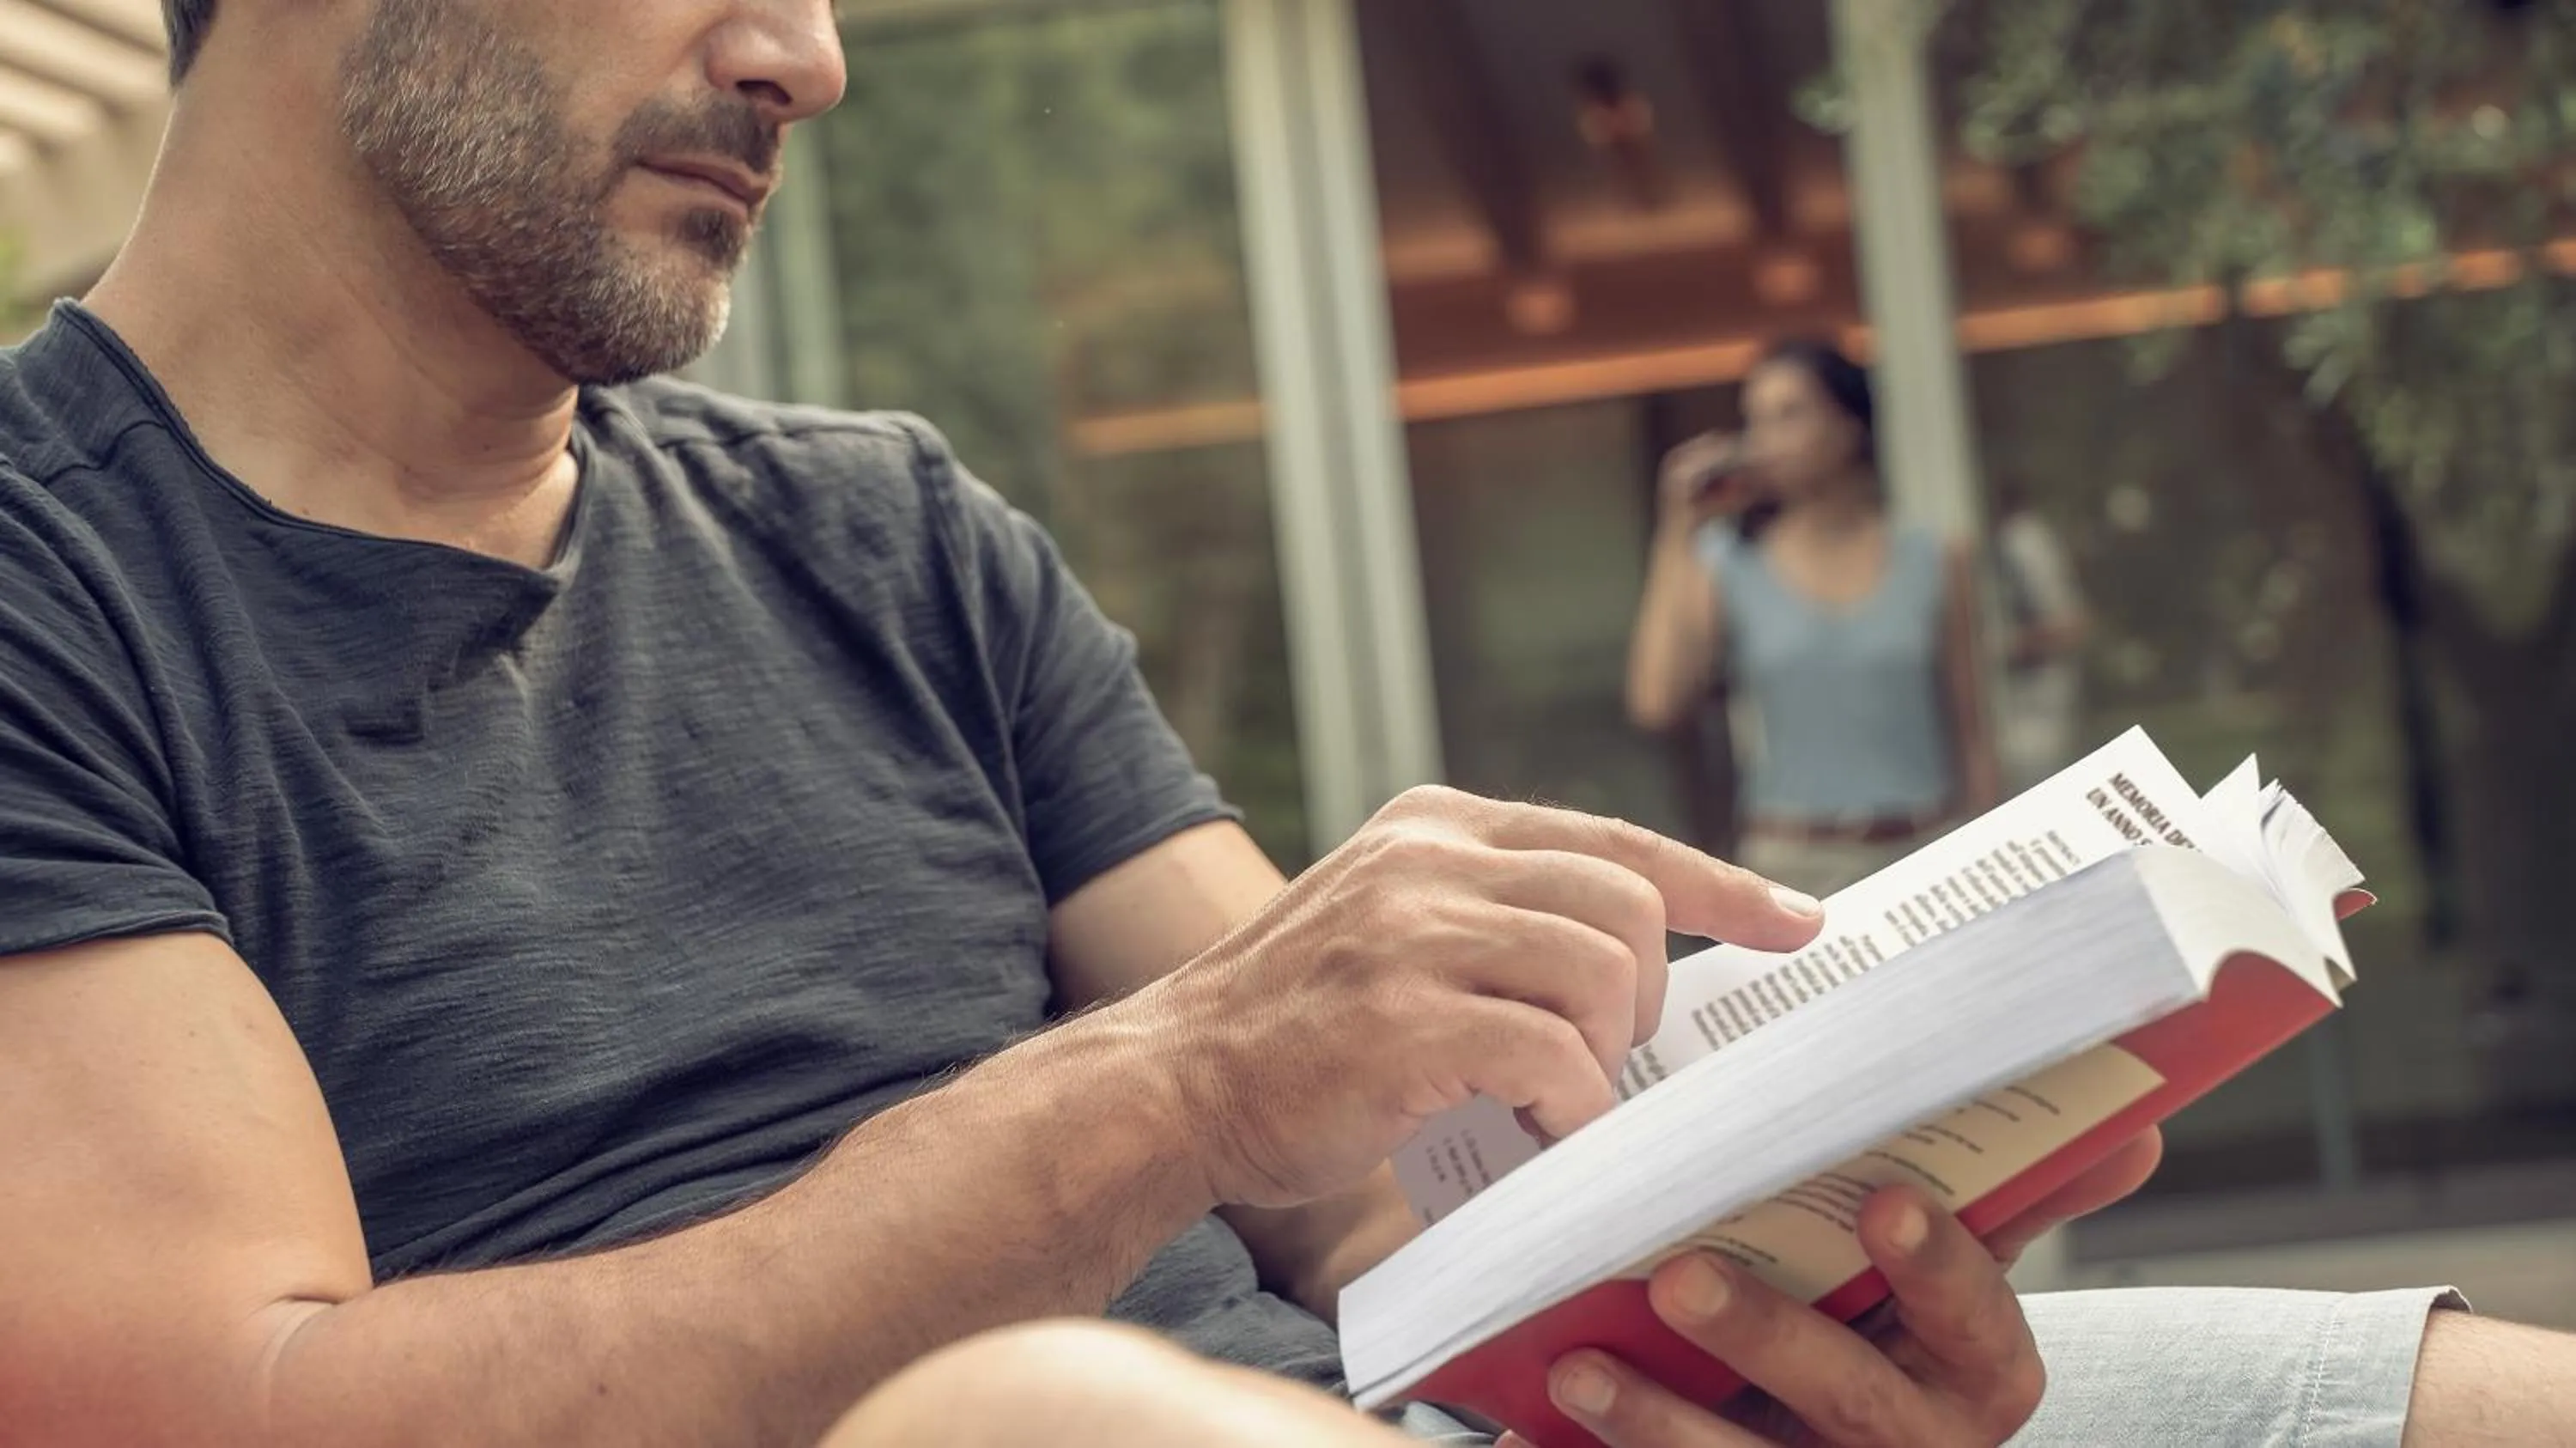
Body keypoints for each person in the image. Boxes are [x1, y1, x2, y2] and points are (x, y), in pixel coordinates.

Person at [0, 3, 2567, 1446]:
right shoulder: (50, 586)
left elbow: (1370, 1203)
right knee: (1042, 1432)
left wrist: (1769, 1290)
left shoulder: (874, 531)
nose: (808, 54)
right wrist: (1152, 1092)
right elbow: (228, 1413)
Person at [1627, 340, 1999, 898]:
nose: (1765, 441)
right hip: (1794, 866)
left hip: (1927, 852)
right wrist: (1677, 529)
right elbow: (1657, 699)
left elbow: (1970, 731)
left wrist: (1993, 849)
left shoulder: (1932, 558)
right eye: (1755, 420)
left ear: (1848, 426)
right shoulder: (1728, 562)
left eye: (1789, 415)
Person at [1990, 478, 2092, 792]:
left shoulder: (2023, 542)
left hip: (2035, 708)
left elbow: (2068, 626)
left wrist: (1996, 646)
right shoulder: (2019, 541)